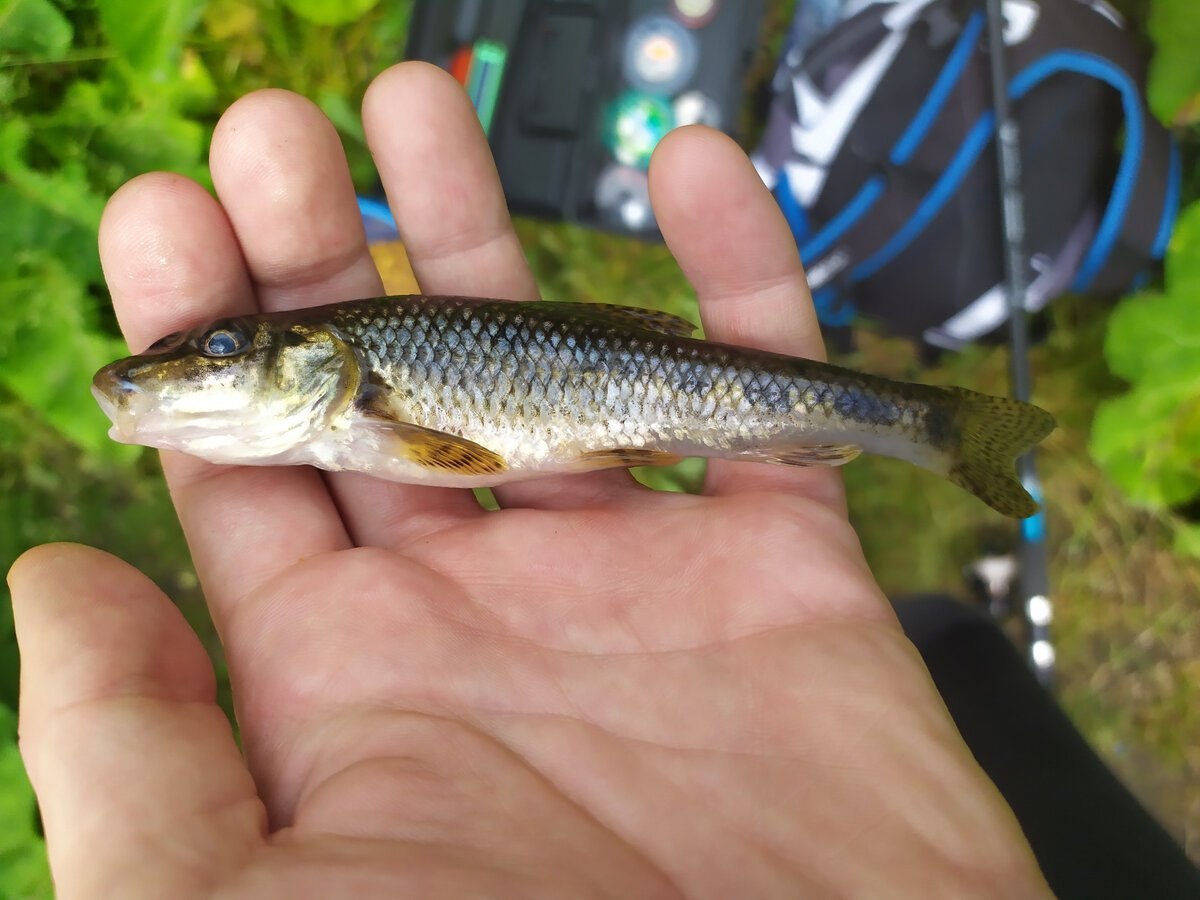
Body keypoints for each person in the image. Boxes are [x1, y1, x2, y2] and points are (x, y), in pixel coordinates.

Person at [9, 62, 1053, 897]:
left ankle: (931, 428)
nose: (187, 369)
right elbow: (451, 457)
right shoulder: (337, 397)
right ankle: (929, 428)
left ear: (317, 359)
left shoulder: (358, 381)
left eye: (226, 348)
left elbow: (451, 456)